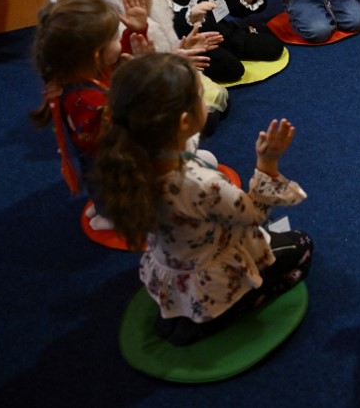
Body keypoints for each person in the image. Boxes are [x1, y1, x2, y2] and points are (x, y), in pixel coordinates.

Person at [93, 53, 313, 346]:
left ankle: (179, 314)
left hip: (173, 266)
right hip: (212, 275)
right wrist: (267, 164)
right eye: (200, 95)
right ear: (185, 121)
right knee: (302, 244)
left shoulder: (129, 161)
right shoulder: (200, 184)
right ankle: (228, 310)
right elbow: (254, 215)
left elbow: (184, 139)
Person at [83, 0, 229, 135]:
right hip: (142, 98)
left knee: (216, 99)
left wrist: (183, 47)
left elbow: (163, 47)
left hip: (163, 78)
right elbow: (131, 81)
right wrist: (174, 61)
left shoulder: (156, 1)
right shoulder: (114, 24)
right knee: (204, 117)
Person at [29, 0, 143, 231]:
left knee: (100, 181)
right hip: (106, 154)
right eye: (116, 36)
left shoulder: (85, 69)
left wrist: (136, 31)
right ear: (96, 54)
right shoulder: (85, 99)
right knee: (109, 183)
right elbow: (120, 127)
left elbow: (118, 56)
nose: (119, 40)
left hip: (100, 149)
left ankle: (103, 207)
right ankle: (108, 216)